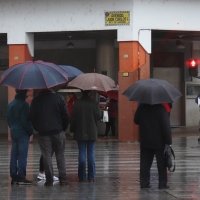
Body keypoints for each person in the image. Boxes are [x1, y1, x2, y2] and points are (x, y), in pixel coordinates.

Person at [29, 88, 70, 186]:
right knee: (60, 155)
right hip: (58, 131)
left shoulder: (36, 101)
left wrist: (38, 128)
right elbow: (66, 115)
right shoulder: (59, 98)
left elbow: (31, 117)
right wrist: (63, 128)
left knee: (46, 156)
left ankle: (49, 179)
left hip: (43, 133)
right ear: (51, 88)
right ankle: (63, 179)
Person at [134, 103, 172, 189]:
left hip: (145, 140)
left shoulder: (142, 108)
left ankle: (144, 183)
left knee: (145, 163)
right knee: (161, 164)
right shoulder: (161, 109)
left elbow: (136, 120)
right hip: (159, 142)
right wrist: (168, 141)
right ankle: (162, 184)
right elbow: (166, 126)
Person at [70, 90, 101, 182]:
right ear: (90, 93)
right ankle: (91, 177)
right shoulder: (94, 103)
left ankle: (82, 177)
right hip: (92, 131)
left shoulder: (77, 104)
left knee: (82, 153)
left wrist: (72, 130)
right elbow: (99, 116)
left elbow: (73, 118)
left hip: (80, 131)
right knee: (91, 153)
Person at [6, 89, 34, 185]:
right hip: (22, 133)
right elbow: (24, 120)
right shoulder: (24, 105)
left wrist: (12, 128)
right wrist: (30, 131)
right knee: (22, 155)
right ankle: (21, 176)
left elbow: (8, 119)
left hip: (14, 131)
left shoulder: (10, 104)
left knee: (14, 154)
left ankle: (13, 175)